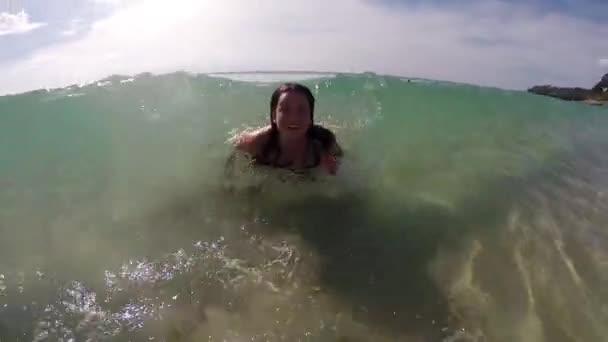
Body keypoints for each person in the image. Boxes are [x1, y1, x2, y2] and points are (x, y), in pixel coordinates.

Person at [230, 83, 343, 175]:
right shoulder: (254, 142)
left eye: (301, 110)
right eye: (285, 109)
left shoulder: (323, 146)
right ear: (274, 116)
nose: (294, 118)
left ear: (310, 117)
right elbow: (232, 166)